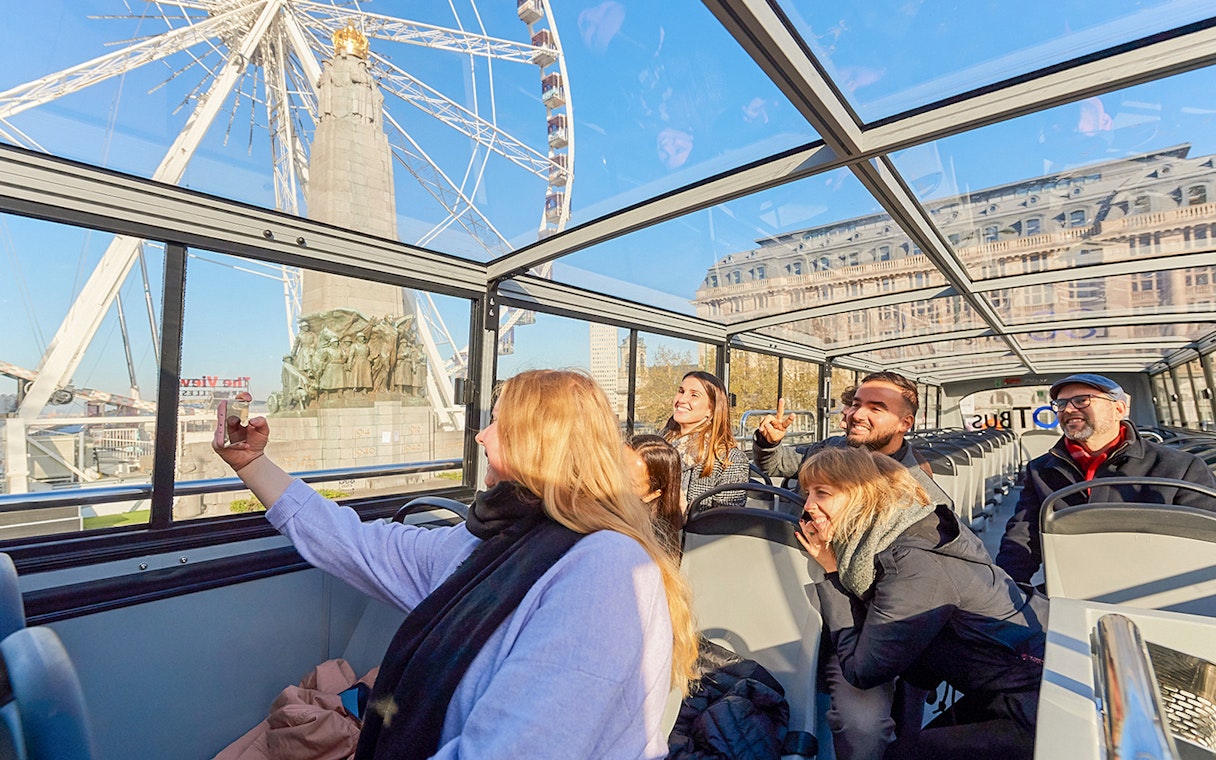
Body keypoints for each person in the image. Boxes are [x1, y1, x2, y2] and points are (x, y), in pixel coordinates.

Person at [213, 369, 699, 759]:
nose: (481, 435)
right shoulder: (483, 546)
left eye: (498, 423)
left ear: (538, 442)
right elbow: (357, 543)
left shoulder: (605, 572)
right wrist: (251, 464)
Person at [797, 447, 1047, 760]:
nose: (808, 506)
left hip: (1036, 704)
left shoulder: (911, 564)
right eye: (807, 493)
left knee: (906, 754)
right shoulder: (910, 530)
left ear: (865, 495)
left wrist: (832, 573)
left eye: (822, 493)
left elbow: (863, 671)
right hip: (1006, 687)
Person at [995, 372, 1216, 585]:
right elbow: (1023, 538)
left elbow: (1205, 542)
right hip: (1072, 591)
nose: (1069, 409)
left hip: (1161, 590)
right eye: (1061, 404)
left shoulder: (1179, 467)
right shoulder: (1042, 470)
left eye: (1082, 400)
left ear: (1119, 409)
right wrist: (1003, 591)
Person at [754, 371, 951, 508]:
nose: (857, 415)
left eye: (876, 409)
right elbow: (775, 465)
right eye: (856, 405)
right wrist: (769, 443)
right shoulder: (829, 448)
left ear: (905, 423)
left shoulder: (917, 487)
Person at [662, 371, 749, 513]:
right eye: (681, 391)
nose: (682, 399)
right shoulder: (658, 445)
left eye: (694, 395)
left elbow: (726, 522)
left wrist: (684, 517)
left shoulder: (730, 460)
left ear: (712, 409)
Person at [627, 434, 684, 557]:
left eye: (628, 482)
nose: (613, 480)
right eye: (614, 467)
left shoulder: (646, 541)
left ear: (652, 494)